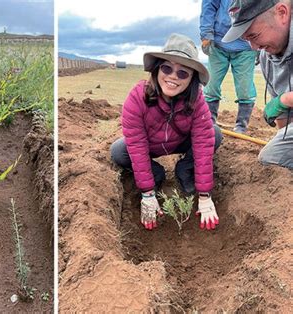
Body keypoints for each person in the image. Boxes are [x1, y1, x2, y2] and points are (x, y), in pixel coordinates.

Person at [110, 33, 223, 231]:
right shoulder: (137, 97)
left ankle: (185, 169)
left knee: (214, 134)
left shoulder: (197, 100)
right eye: (167, 68)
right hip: (150, 145)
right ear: (157, 69)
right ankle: (157, 174)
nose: (173, 76)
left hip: (180, 141)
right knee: (119, 151)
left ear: (192, 79)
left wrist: (205, 196)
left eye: (182, 73)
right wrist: (147, 192)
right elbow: (136, 145)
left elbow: (203, 143)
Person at [223, 0, 293, 169]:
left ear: (282, 13)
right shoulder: (266, 56)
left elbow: (282, 103)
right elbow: (283, 118)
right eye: (247, 39)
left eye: (254, 35)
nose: (254, 47)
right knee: (272, 157)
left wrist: (285, 100)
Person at [200, 0, 258, 134]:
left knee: (245, 86)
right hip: (218, 43)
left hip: (246, 46)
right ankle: (210, 122)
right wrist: (206, 34)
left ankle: (241, 126)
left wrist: (261, 44)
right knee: (211, 84)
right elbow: (209, 6)